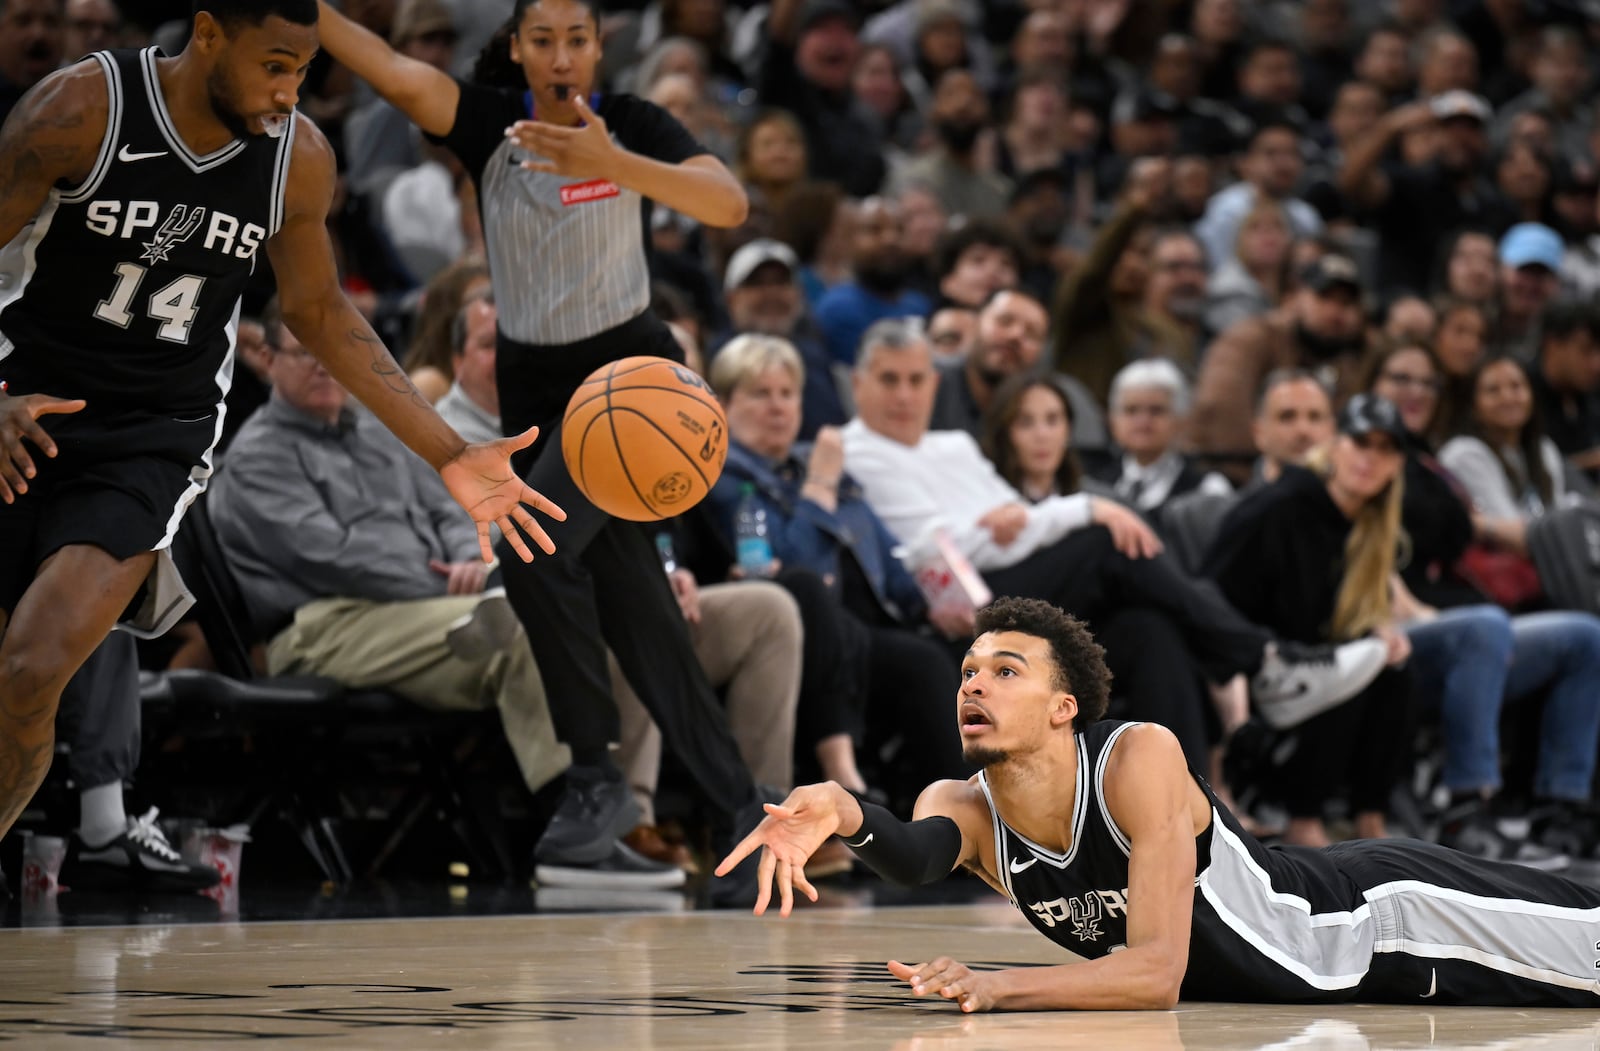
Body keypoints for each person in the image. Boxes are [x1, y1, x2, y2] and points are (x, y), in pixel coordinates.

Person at [0, 0, 562, 846]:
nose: (288, 92)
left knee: (31, 669)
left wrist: (450, 453)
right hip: (23, 398)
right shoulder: (79, 112)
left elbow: (321, 313)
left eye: (302, 71)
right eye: (273, 65)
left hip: (153, 433)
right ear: (208, 33)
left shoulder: (295, 160)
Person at [312, 0, 773, 896]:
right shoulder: (489, 125)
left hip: (633, 385)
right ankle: (741, 810)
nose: (561, 55)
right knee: (641, 611)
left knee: (531, 551)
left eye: (577, 39)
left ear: (599, 50)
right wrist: (308, 13)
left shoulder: (632, 124)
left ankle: (596, 779)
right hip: (544, 397)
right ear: (518, 50)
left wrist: (615, 163)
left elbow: (727, 200)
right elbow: (391, 69)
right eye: (544, 40)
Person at [716, 595, 1600, 1010]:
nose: (974, 683)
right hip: (1359, 986)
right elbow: (913, 854)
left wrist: (1001, 983)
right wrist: (843, 807)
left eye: (1005, 670)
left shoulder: (1139, 756)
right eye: (968, 670)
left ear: (1066, 706)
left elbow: (1153, 973)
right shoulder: (965, 800)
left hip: (1383, 917)